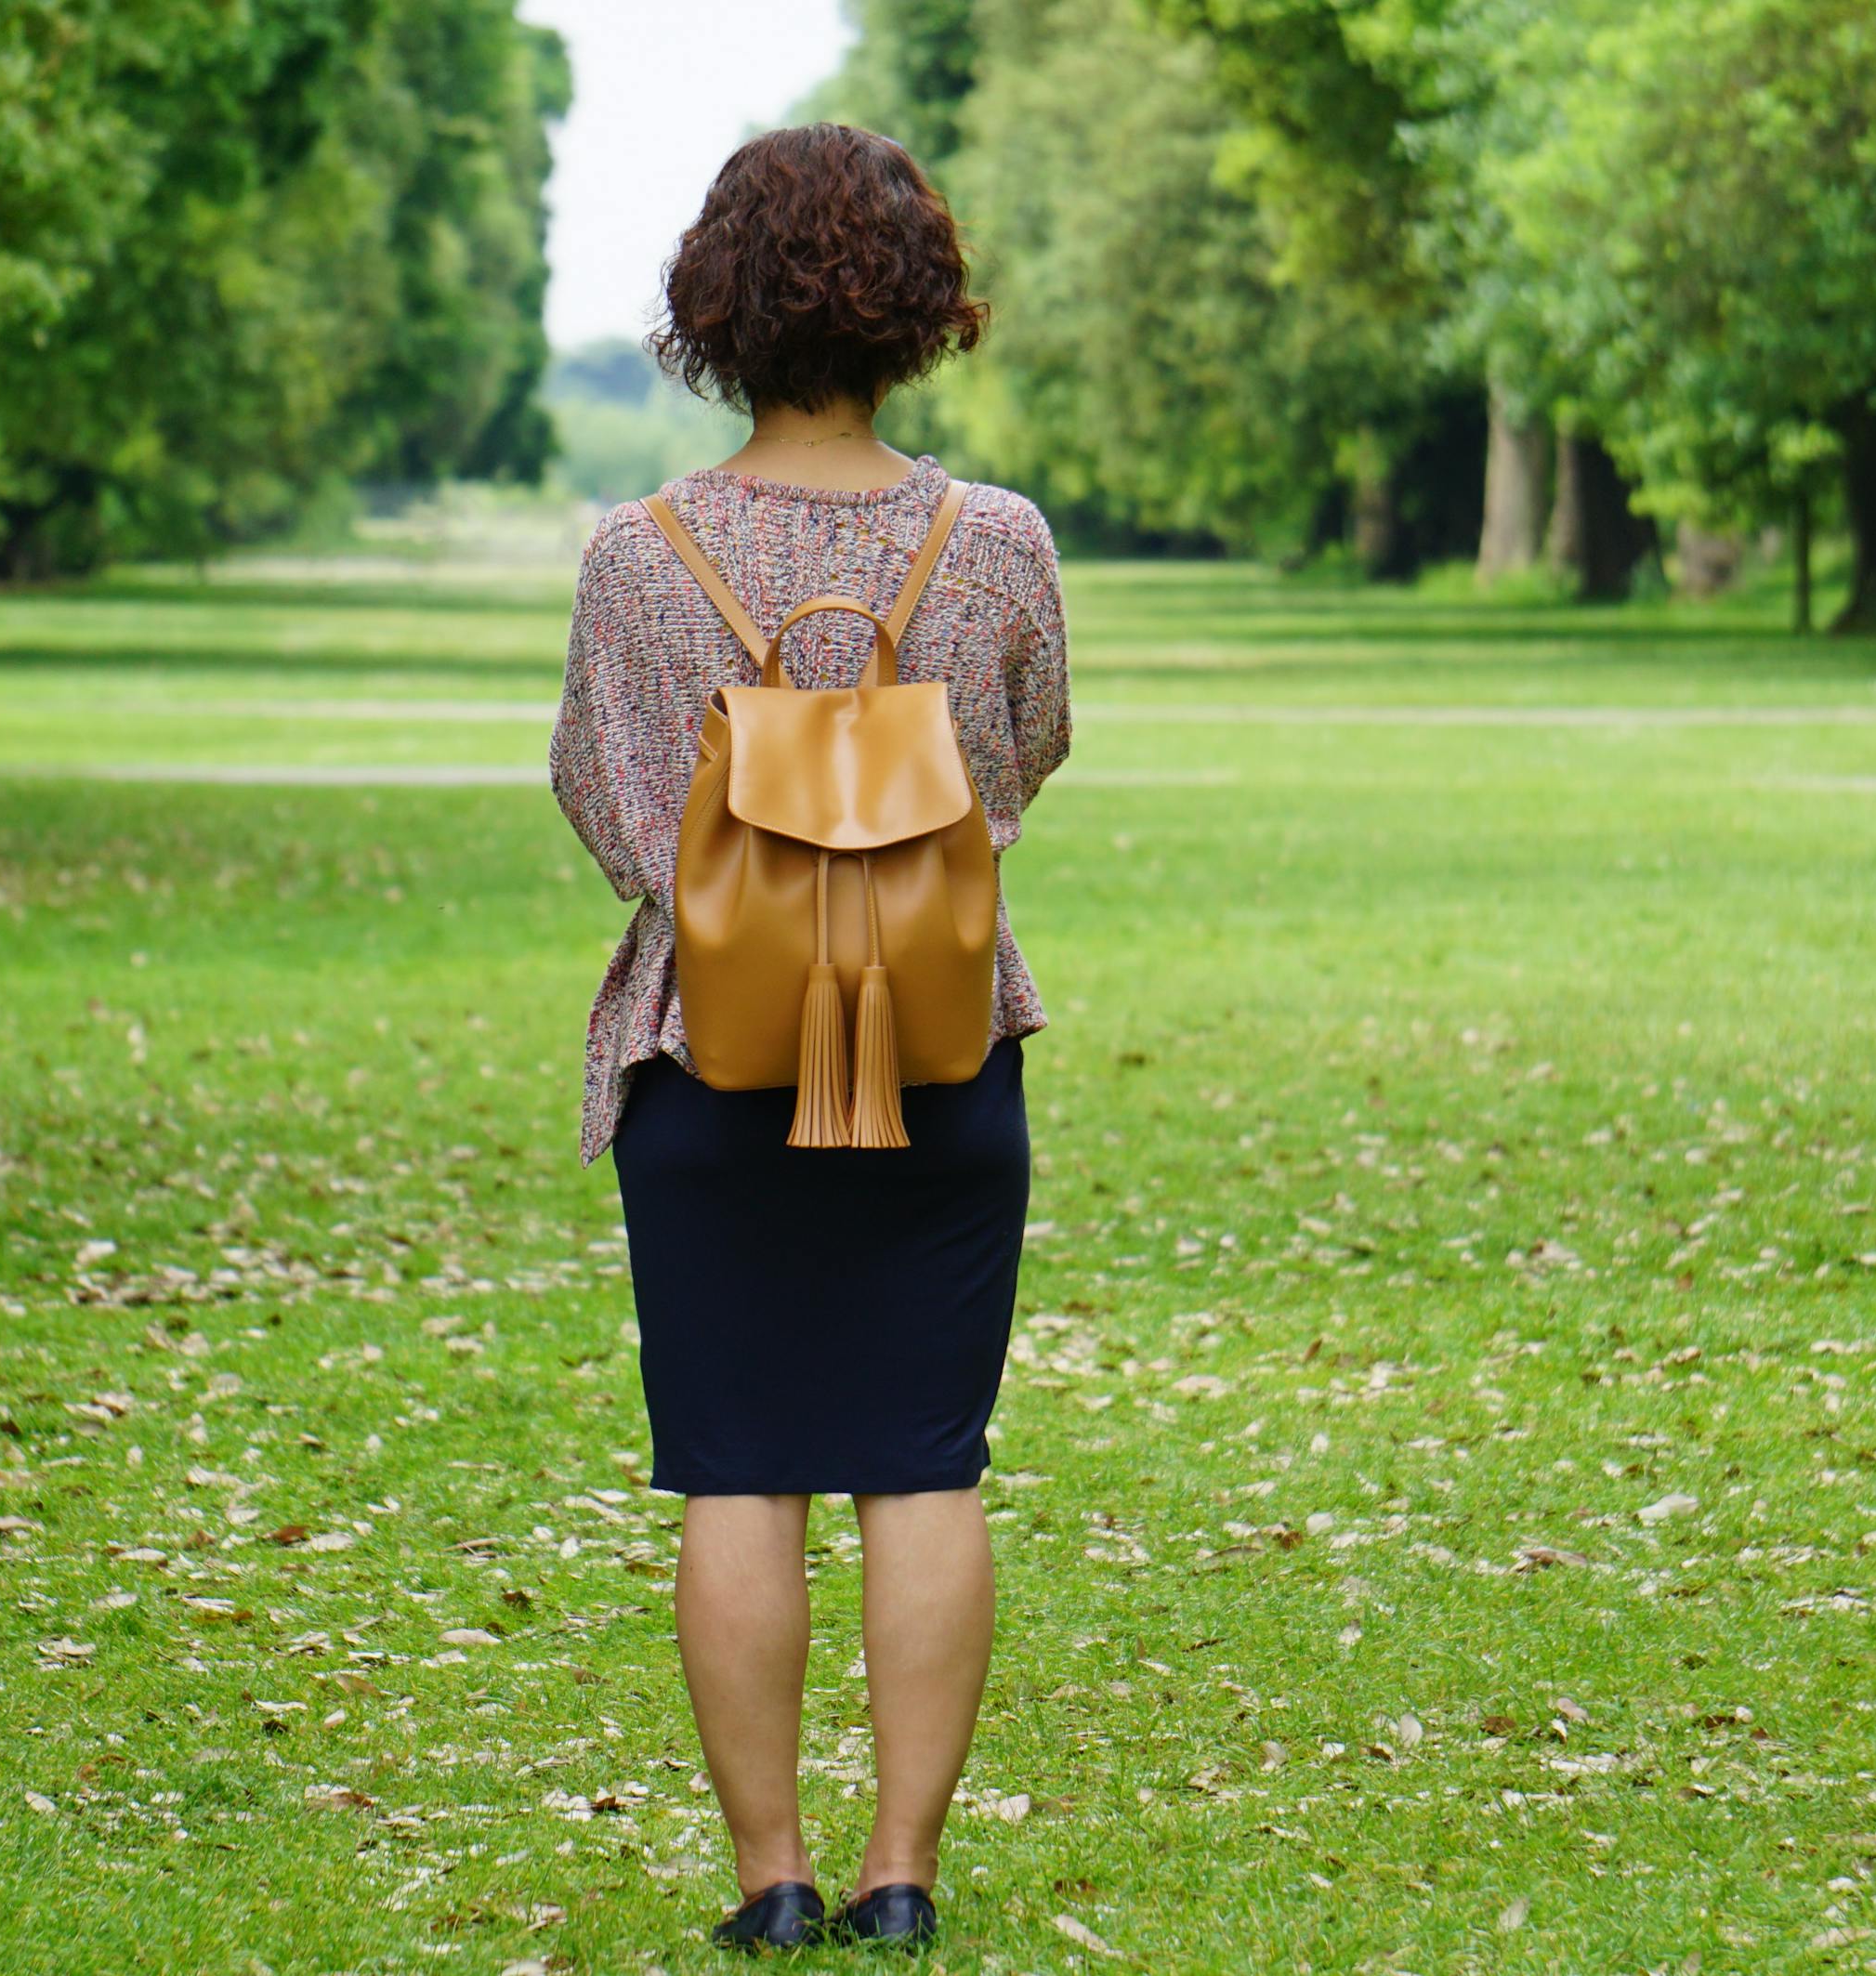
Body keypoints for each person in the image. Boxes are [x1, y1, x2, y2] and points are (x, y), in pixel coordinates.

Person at [545, 124, 1071, 1954]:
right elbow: (1029, 759)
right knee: (924, 1456)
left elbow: (616, 817)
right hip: (939, 1046)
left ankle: (770, 1875)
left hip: (715, 1056)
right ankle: (901, 1873)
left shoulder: (639, 557)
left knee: (737, 1460)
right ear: (921, 306)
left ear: (718, 310)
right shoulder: (992, 541)